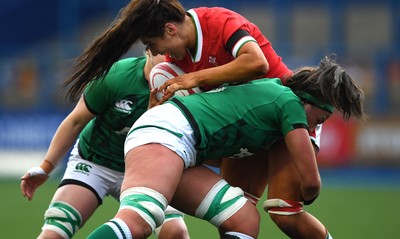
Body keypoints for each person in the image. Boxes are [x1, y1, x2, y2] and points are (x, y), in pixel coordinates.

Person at [60, 0, 357, 238]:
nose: (160, 53)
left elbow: (257, 63)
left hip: (289, 117)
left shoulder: (218, 22)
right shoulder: (170, 66)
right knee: (237, 215)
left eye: (156, 44)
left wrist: (191, 80)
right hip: (248, 133)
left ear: (170, 28)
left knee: (284, 212)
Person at [86, 56, 366, 239]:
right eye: (321, 119)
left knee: (244, 219)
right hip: (167, 134)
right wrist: (306, 194)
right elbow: (311, 181)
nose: (316, 127)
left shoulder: (272, 96)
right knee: (140, 220)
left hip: (178, 144)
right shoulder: (289, 104)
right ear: (309, 103)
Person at [20, 49, 190, 239]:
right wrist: (46, 167)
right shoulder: (116, 76)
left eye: (172, 54)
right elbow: (75, 120)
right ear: (148, 50)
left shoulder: (183, 86)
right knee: (55, 233)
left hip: (147, 169)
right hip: (96, 162)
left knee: (176, 232)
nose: (168, 59)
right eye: (162, 52)